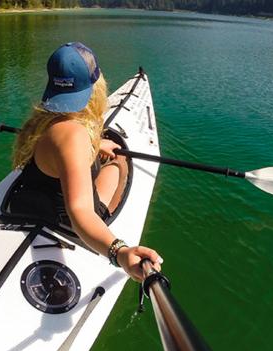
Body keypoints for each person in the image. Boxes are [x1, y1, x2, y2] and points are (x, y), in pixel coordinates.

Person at [11, 42, 162, 281]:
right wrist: (120, 252)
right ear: (95, 83)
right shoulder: (75, 135)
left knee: (105, 155)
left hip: (34, 201)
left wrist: (95, 145)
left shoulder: (42, 118)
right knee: (117, 163)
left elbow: (63, 148)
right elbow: (80, 211)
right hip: (69, 222)